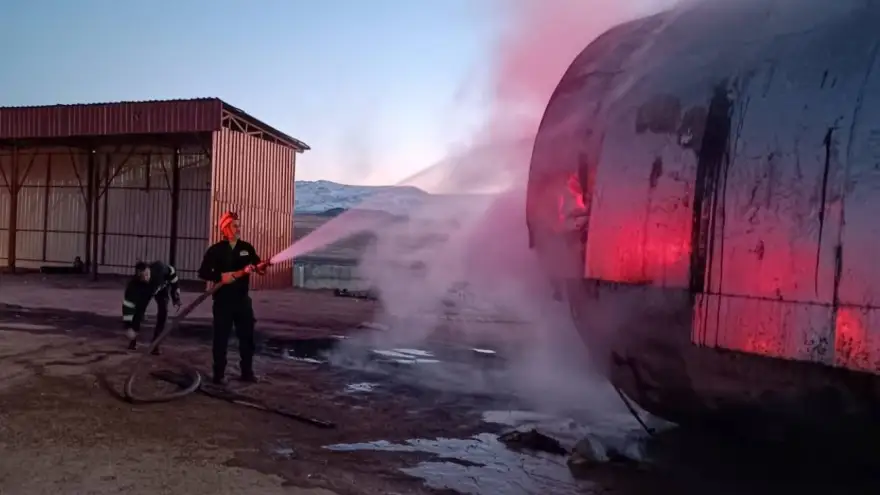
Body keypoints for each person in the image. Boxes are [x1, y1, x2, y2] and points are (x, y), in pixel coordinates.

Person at [197, 211, 266, 385]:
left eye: (238, 225)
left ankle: (247, 373)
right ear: (225, 228)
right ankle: (219, 375)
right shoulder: (215, 250)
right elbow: (203, 273)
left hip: (242, 301)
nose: (238, 228)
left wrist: (261, 267)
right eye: (235, 226)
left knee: (247, 338)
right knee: (221, 339)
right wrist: (220, 276)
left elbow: (257, 265)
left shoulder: (247, 248)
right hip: (223, 302)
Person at [121, 260, 182, 354]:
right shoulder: (134, 286)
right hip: (146, 294)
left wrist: (175, 296)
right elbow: (128, 306)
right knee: (138, 312)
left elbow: (172, 272)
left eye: (147, 274)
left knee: (163, 312)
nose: (146, 278)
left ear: (149, 270)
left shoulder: (160, 269)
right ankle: (133, 340)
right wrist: (128, 326)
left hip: (162, 290)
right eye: (142, 276)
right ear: (138, 276)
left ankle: (156, 343)